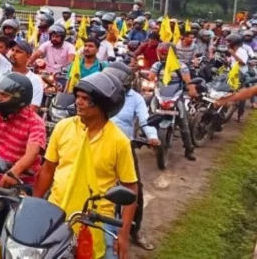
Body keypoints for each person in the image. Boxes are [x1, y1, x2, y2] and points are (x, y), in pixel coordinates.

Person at [34, 72, 138, 259]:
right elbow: (48, 169)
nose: (78, 102)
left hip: (96, 219)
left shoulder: (119, 141)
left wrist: (123, 235)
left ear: (102, 105)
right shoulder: (63, 127)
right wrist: (35, 205)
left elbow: (130, 188)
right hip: (56, 211)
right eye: (78, 97)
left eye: (86, 99)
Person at [104, 61, 159, 251]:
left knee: (135, 190)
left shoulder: (136, 98)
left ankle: (134, 230)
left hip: (124, 146)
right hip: (98, 143)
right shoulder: (102, 93)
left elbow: (145, 119)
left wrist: (152, 137)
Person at [147, 43, 197, 160]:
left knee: (184, 124)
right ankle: (146, 134)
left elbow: (188, 81)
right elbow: (151, 77)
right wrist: (149, 79)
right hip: (159, 96)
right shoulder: (157, 65)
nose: (162, 56)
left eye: (164, 54)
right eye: (160, 53)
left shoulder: (181, 66)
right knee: (147, 116)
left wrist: (192, 90)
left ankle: (189, 149)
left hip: (176, 97)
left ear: (172, 54)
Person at [7, 40, 44, 108]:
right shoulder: (4, 72)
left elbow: (33, 109)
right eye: (12, 50)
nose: (13, 53)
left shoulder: (34, 81)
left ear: (28, 56)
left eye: (18, 51)